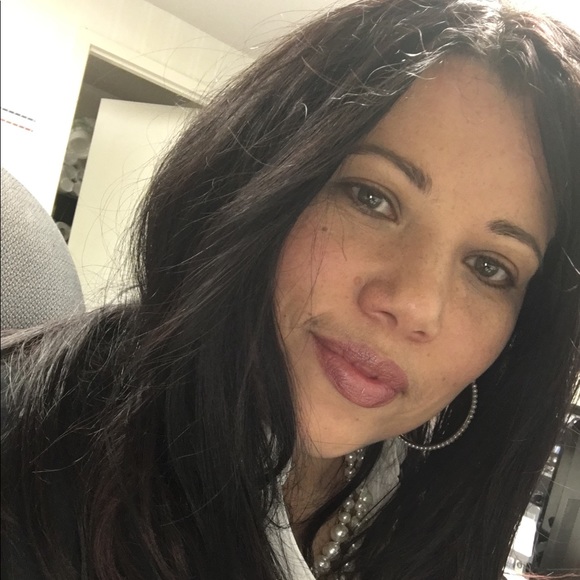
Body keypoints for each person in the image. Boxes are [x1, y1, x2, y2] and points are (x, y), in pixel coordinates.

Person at [2, 0, 579, 578]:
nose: (415, 305)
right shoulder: (28, 470)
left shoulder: (422, 498)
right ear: (256, 177)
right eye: (372, 199)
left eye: (489, 267)